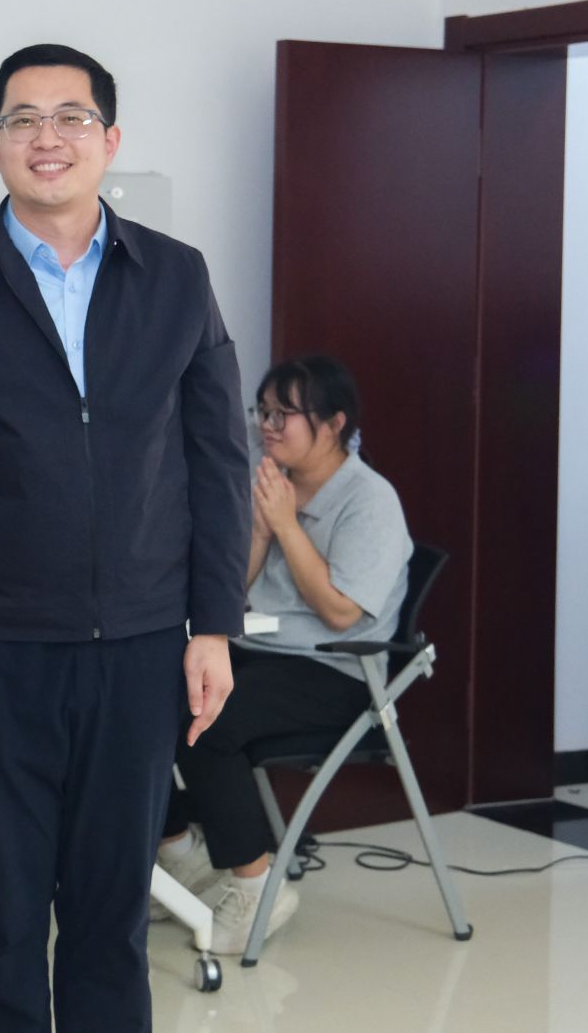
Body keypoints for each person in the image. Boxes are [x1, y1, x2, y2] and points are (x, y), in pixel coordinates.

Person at [0, 43, 250, 1031]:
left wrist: (212, 625)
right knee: (1, 920)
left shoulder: (176, 277)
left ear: (110, 139)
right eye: (23, 119)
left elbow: (219, 458)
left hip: (138, 646)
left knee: (110, 919)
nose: (48, 137)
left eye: (71, 117)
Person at [157, 354, 412, 953]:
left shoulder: (370, 500)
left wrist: (286, 525)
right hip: (261, 650)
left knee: (207, 720)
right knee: (142, 694)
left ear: (334, 425)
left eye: (284, 415)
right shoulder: (273, 479)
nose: (268, 427)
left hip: (336, 669)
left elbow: (341, 613)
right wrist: (260, 530)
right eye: (263, 413)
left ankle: (257, 885)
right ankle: (180, 854)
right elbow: (236, 589)